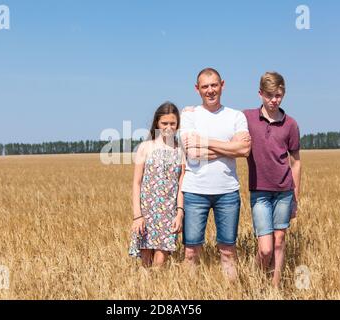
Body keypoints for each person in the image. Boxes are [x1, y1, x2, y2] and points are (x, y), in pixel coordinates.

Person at [180, 68, 251, 280]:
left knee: (228, 251)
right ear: (197, 89)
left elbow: (244, 150)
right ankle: (187, 295)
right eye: (205, 87)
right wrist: (230, 147)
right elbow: (192, 153)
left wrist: (206, 143)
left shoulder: (236, 116)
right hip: (194, 192)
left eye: (214, 85)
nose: (210, 90)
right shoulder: (189, 115)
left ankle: (231, 293)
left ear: (222, 84)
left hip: (228, 192)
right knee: (191, 252)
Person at [243, 72, 301, 287]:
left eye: (278, 95)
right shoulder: (247, 117)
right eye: (269, 95)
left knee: (279, 241)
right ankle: (255, 281)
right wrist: (193, 111)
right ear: (260, 94)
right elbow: (222, 118)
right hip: (260, 192)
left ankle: (274, 286)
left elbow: (296, 162)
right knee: (265, 248)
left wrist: (295, 196)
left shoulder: (290, 124)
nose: (274, 100)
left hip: (284, 192)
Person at [128, 102, 186, 267]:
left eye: (172, 123)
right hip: (146, 212)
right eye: (164, 123)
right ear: (157, 124)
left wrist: (179, 213)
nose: (168, 127)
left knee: (160, 260)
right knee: (145, 260)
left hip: (169, 213)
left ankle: (158, 291)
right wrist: (137, 216)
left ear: (178, 124)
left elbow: (182, 185)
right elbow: (137, 183)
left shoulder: (179, 150)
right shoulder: (145, 147)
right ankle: (144, 292)